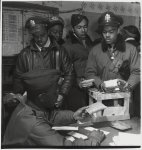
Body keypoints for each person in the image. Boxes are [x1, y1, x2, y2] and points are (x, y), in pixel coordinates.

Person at [2, 69, 105, 147]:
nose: (58, 95)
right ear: (42, 97)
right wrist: (93, 140)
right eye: (55, 92)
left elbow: (50, 116)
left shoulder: (28, 105)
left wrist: (74, 116)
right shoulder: (33, 124)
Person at [8, 16, 74, 108]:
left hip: (55, 101)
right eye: (35, 36)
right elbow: (18, 79)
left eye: (42, 35)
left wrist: (62, 94)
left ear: (48, 32)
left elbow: (69, 73)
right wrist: (19, 98)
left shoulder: (60, 51)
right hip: (32, 104)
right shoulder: (24, 55)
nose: (39, 39)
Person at [85, 11, 140, 109]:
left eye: (111, 32)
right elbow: (90, 73)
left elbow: (137, 71)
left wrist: (128, 86)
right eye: (104, 32)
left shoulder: (131, 49)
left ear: (118, 30)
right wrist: (100, 84)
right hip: (101, 100)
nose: (107, 35)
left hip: (125, 100)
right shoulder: (95, 50)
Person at [63, 14, 93, 111]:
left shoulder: (89, 42)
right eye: (79, 27)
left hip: (91, 84)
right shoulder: (68, 45)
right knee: (79, 114)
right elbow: (66, 69)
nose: (83, 30)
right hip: (75, 88)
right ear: (73, 28)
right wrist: (77, 81)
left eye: (85, 27)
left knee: (91, 113)